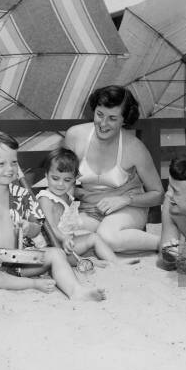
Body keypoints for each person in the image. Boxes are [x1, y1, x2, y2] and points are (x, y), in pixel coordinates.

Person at [0, 131, 106, 302]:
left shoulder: (22, 195)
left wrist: (29, 227)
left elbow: (37, 226)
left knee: (56, 254)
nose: (10, 169)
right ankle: (29, 284)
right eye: (1, 164)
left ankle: (76, 290)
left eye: (14, 162)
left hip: (21, 259)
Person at [64, 85, 163, 253]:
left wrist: (126, 200)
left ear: (124, 120)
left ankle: (167, 244)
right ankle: (125, 241)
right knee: (63, 236)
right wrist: (74, 193)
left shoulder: (134, 148)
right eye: (99, 114)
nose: (103, 124)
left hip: (128, 208)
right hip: (89, 209)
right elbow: (63, 178)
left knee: (108, 237)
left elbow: (158, 194)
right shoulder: (75, 136)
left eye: (112, 118)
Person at [37, 148, 140, 266]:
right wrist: (64, 238)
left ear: (74, 179)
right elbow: (49, 228)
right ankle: (89, 261)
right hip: (51, 245)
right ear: (46, 175)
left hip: (66, 241)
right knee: (89, 241)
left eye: (67, 180)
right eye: (55, 178)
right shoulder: (45, 199)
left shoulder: (66, 195)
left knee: (92, 236)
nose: (60, 184)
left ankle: (110, 261)